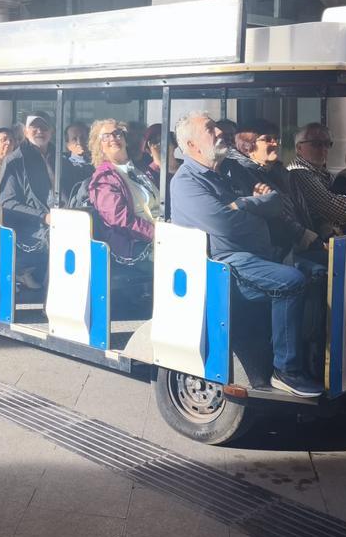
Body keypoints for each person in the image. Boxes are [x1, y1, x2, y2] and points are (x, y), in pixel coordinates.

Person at [169, 111, 321, 398]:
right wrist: (255, 205)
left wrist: (241, 204)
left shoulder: (230, 170)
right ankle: (286, 371)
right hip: (224, 263)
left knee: (321, 271)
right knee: (290, 282)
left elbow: (276, 202)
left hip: (258, 254)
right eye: (210, 129)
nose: (219, 133)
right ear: (192, 145)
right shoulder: (186, 182)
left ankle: (314, 356)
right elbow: (225, 224)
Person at [237, 118, 321, 262]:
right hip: (279, 251)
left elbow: (299, 207)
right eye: (268, 139)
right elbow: (273, 217)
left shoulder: (279, 171)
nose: (275, 144)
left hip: (299, 243)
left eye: (276, 139)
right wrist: (305, 236)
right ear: (247, 147)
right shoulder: (245, 176)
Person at [87, 119, 159, 269]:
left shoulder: (140, 169)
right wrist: (158, 234)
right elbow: (121, 221)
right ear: (99, 146)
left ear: (125, 139)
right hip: (135, 244)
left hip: (162, 231)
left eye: (117, 133)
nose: (113, 138)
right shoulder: (104, 179)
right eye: (105, 136)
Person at [0, 114, 60, 290]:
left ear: (52, 131)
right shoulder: (15, 160)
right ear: (25, 131)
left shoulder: (58, 157)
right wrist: (44, 217)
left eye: (44, 127)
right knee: (62, 239)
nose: (40, 131)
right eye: (34, 127)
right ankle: (52, 299)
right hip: (30, 225)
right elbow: (8, 203)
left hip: (62, 218)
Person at [288, 123, 346, 240]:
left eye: (327, 144)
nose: (323, 149)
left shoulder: (323, 172)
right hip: (316, 244)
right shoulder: (299, 173)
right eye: (316, 144)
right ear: (299, 148)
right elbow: (339, 211)